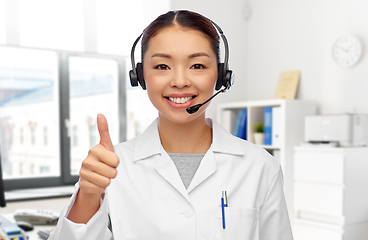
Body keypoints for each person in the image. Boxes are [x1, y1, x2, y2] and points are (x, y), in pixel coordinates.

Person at [49, 10, 293, 240]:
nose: (179, 81)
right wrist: (88, 195)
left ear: (220, 75)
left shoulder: (261, 166)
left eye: (197, 65)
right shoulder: (111, 168)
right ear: (141, 76)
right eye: (162, 66)